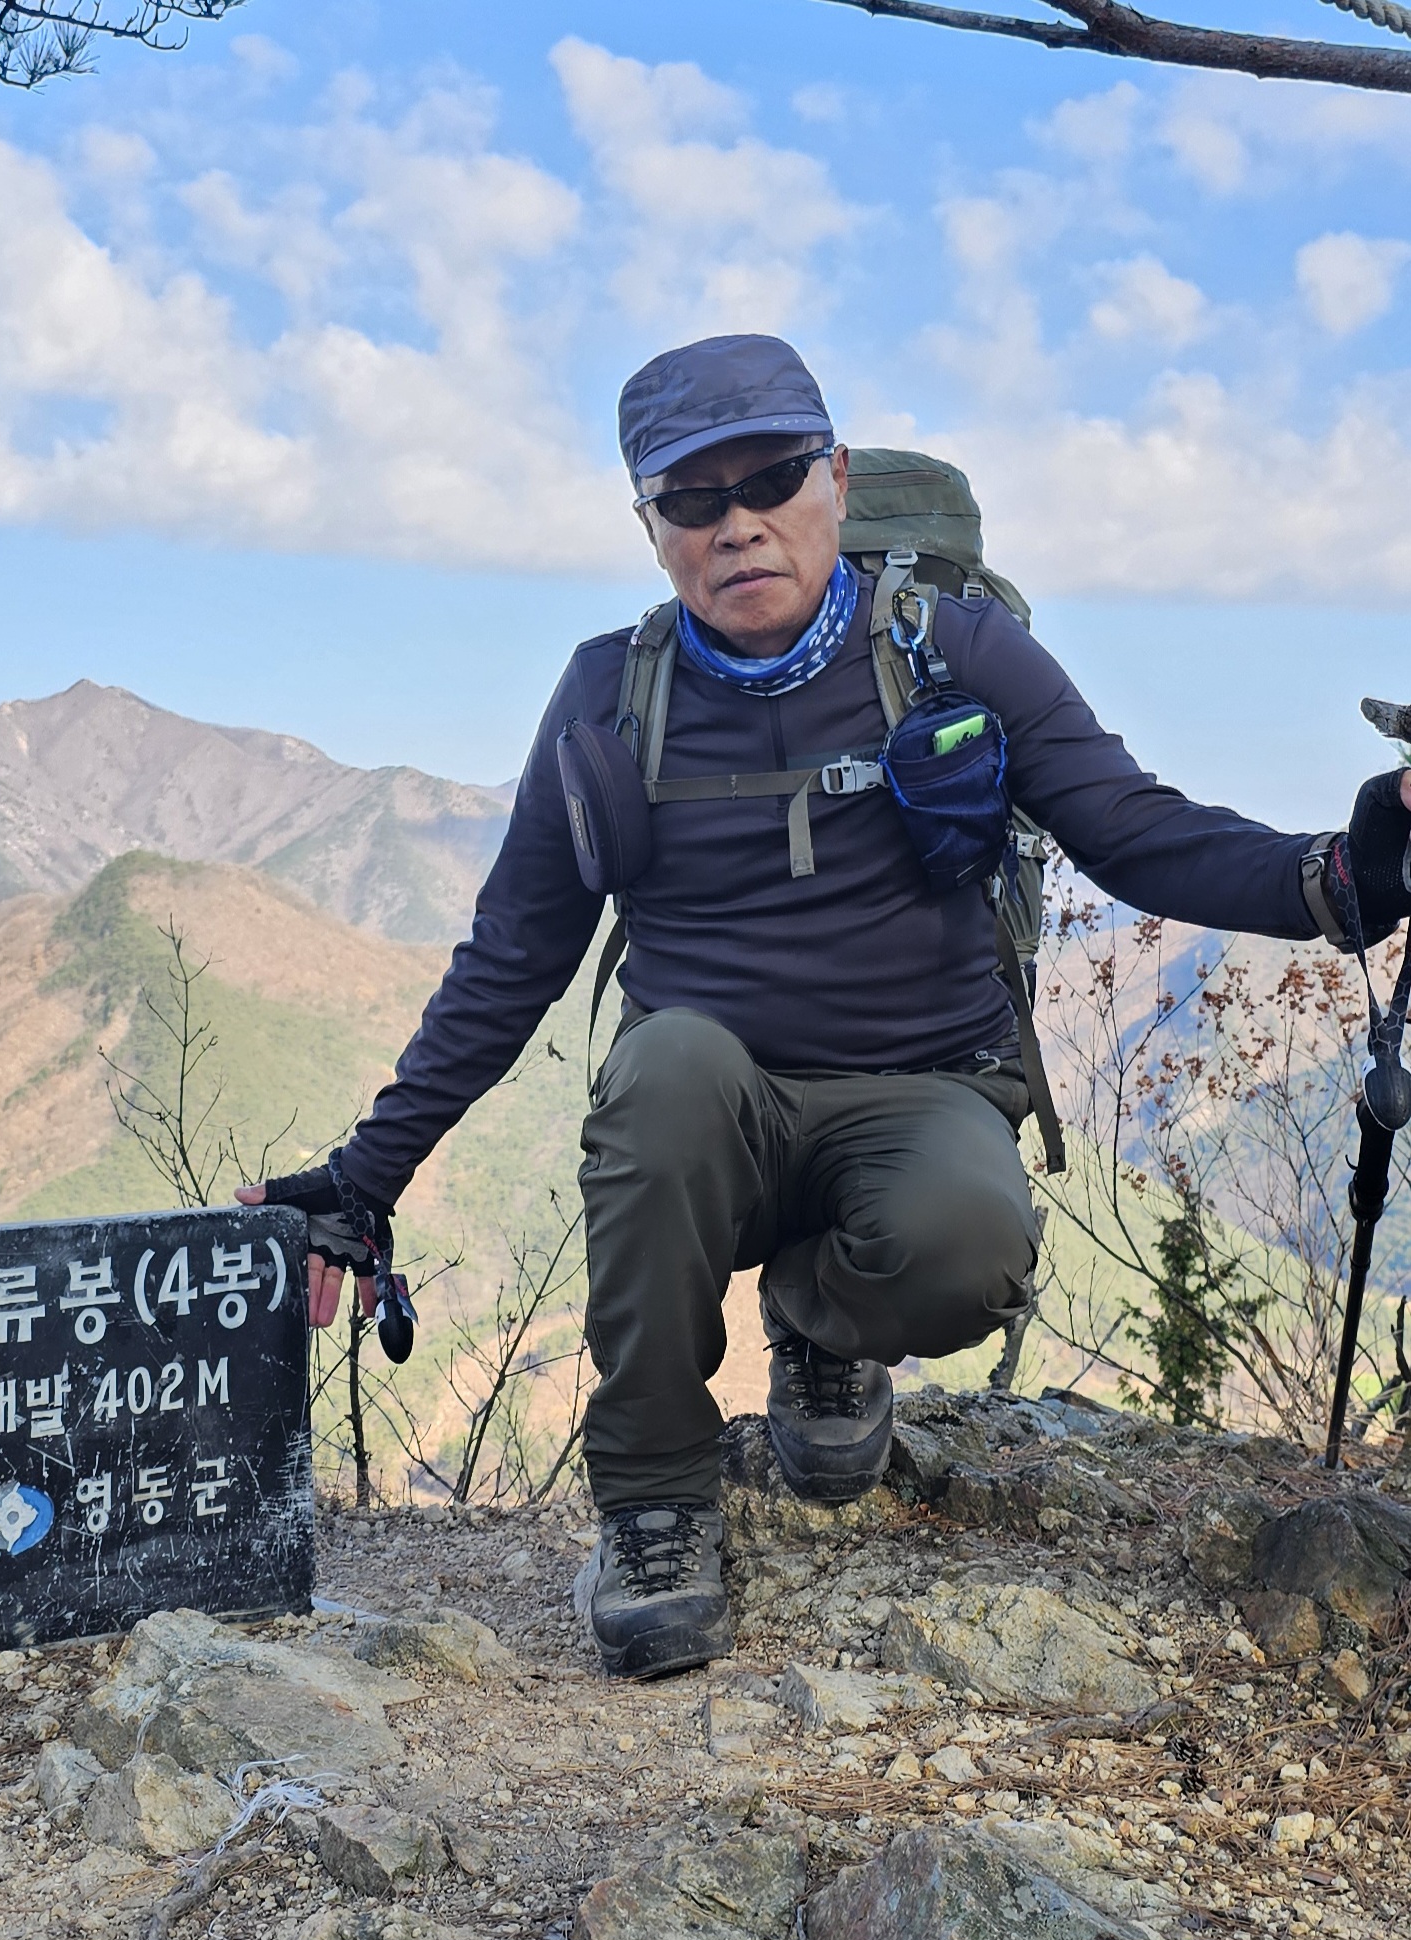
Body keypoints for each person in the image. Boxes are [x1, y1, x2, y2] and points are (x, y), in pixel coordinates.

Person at [240, 334, 1411, 1680]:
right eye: (694, 498)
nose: (738, 523)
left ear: (836, 483)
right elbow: (514, 954)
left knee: (969, 1242)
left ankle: (819, 1320)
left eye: (773, 479)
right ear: (650, 529)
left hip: (920, 1089)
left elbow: (1137, 833)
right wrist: (364, 1178)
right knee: (666, 1070)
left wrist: (1347, 874)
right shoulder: (610, 698)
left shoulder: (956, 653)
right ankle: (655, 1503)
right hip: (709, 1120)